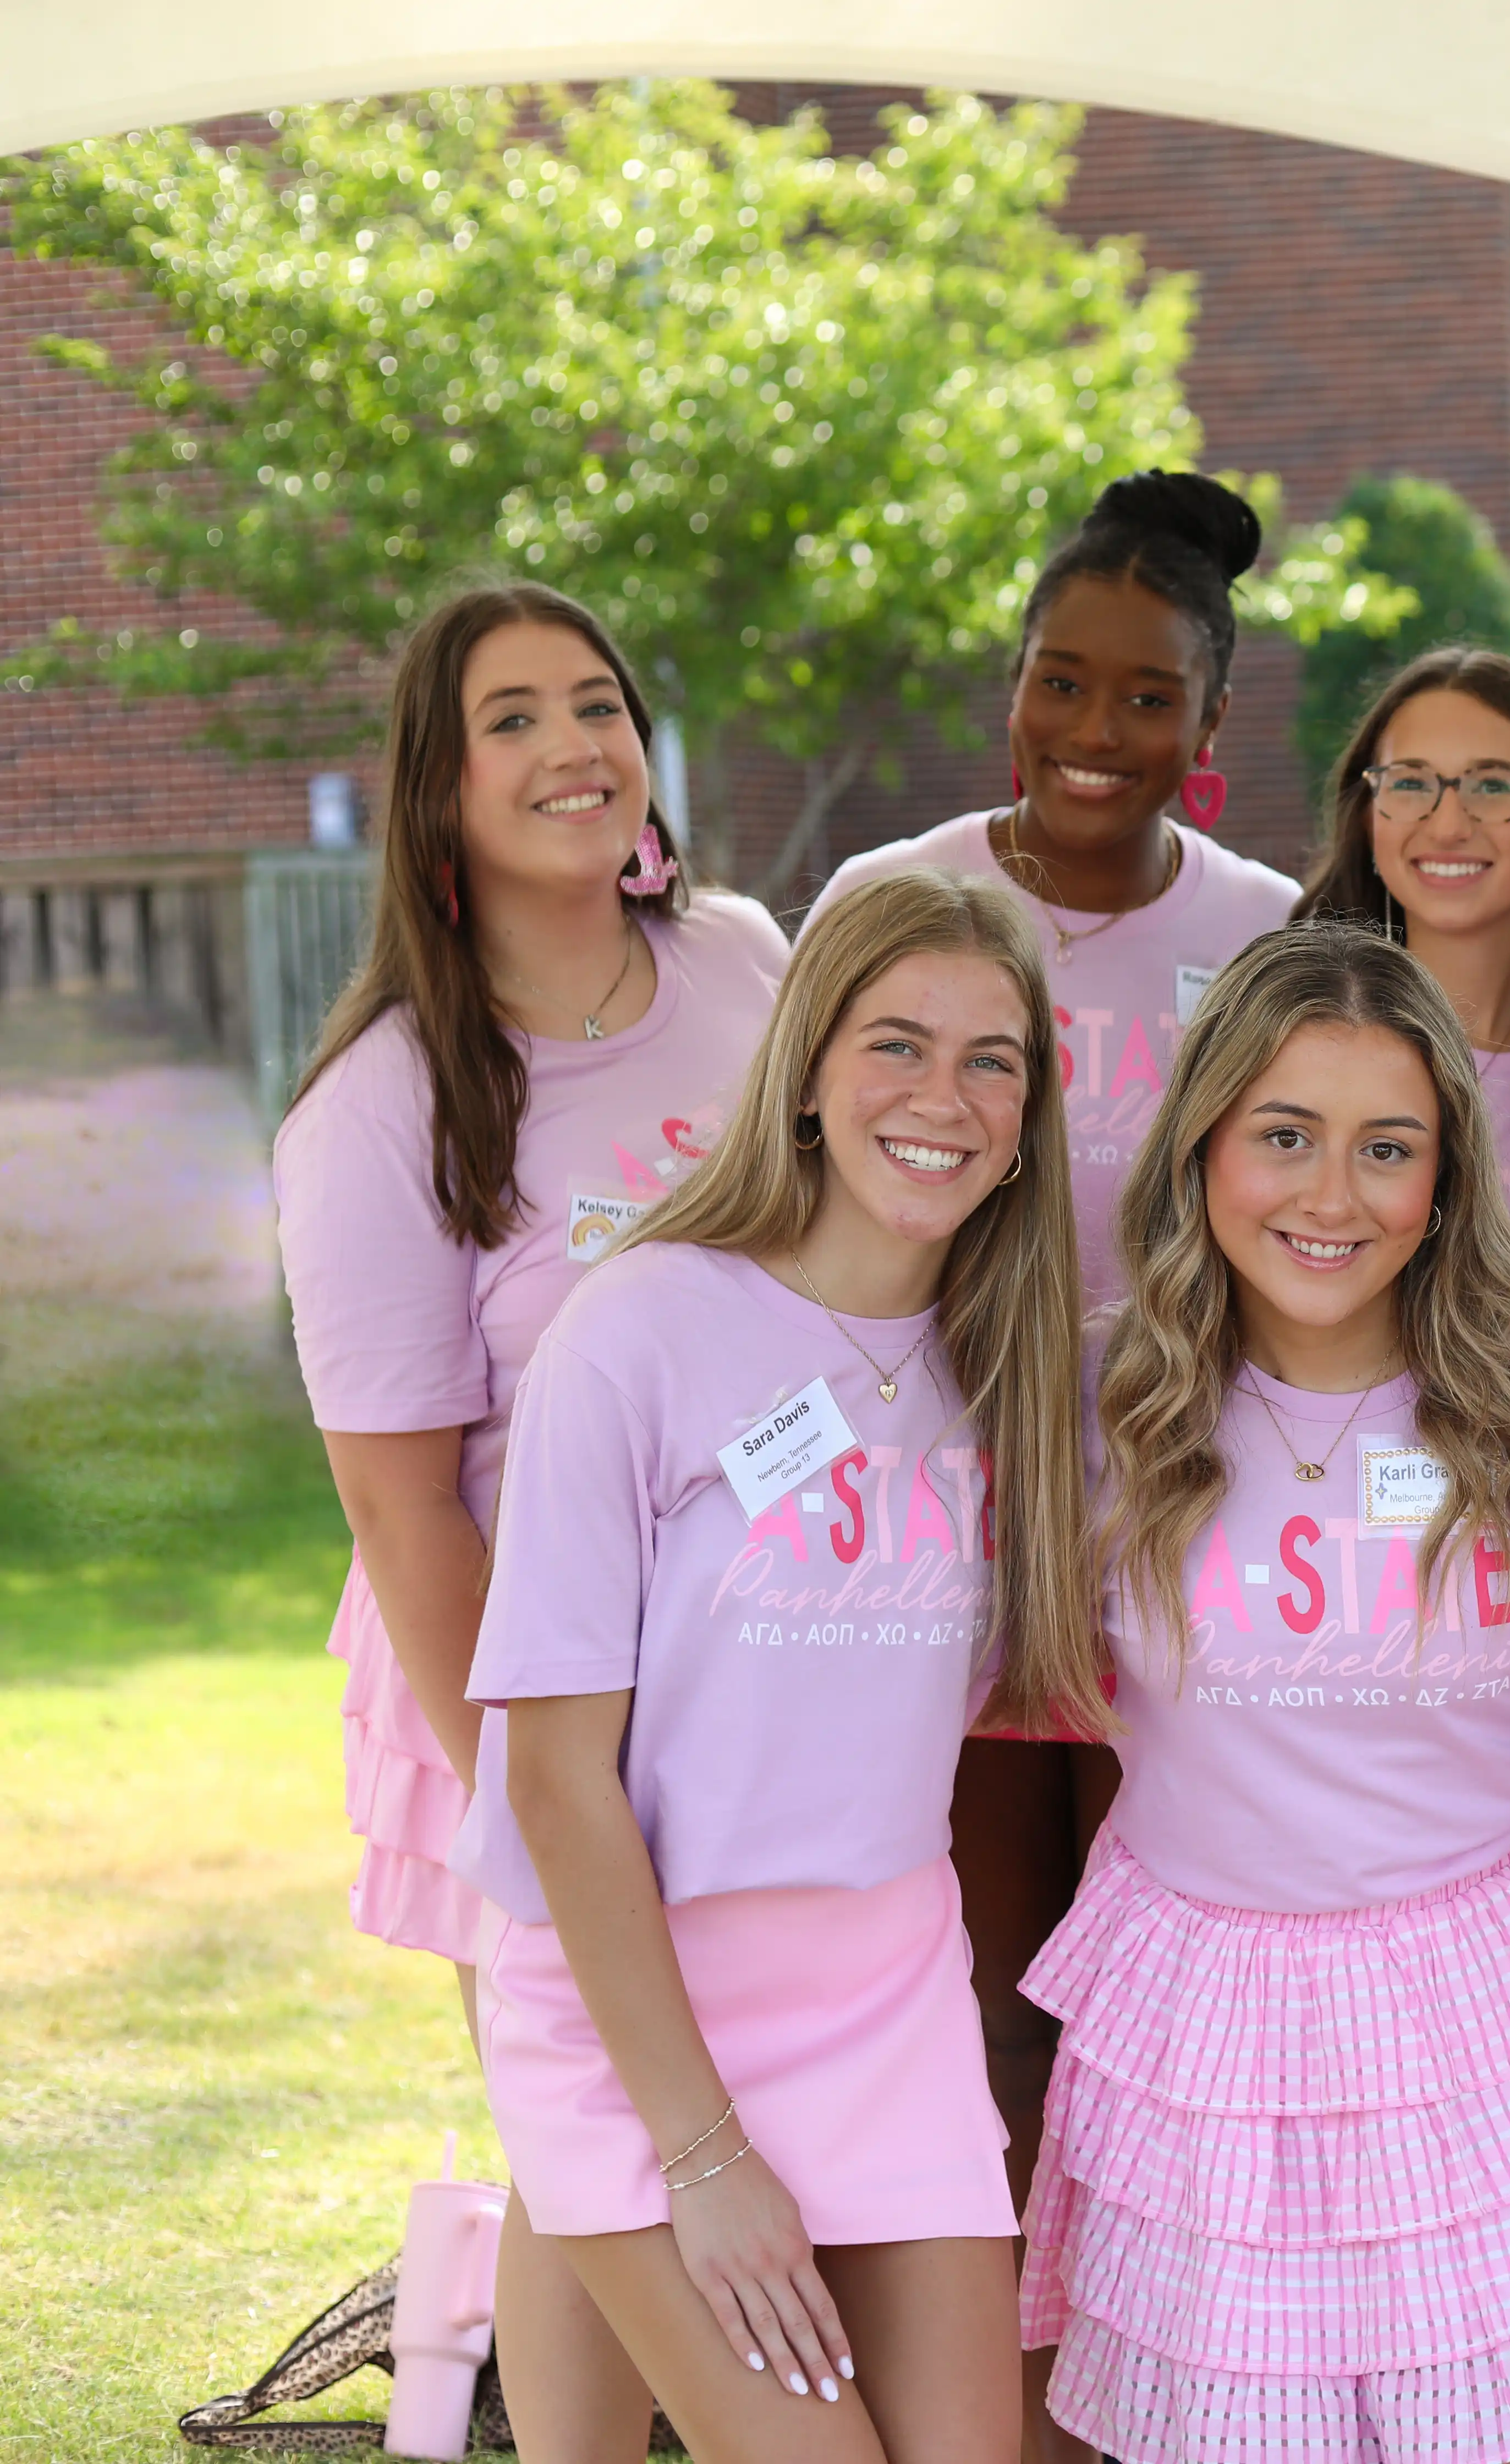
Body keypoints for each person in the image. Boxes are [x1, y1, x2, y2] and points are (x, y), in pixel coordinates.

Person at [451, 867, 1095, 2464]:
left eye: (993, 1059)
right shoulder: (642, 1329)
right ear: (808, 1071)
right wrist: (701, 2152)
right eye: (898, 1043)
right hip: (639, 2012)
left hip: (886, 1997)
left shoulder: (1010, 1363)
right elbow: (549, 1775)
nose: (944, 1096)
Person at [1013, 920, 1510, 2464]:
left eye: (1388, 1148)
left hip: (1491, 1998)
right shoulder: (1106, 1398)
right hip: (1207, 2014)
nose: (1332, 1197)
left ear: (1447, 1179)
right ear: (1201, 1148)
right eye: (1285, 1138)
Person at [273, 580, 788, 2457]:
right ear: (436, 792)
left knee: (764, 2105)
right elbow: (407, 1511)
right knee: (597, 2143)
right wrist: (531, 1782)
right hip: (539, 1688)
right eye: (514, 719)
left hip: (791, 1658)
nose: (575, 746)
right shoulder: (385, 1105)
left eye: (599, 703)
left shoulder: (743, 961)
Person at [806, 470, 1301, 2417]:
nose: (1095, 733)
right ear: (1010, 686)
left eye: (1147, 696)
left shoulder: (1264, 936)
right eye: (1058, 682)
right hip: (941, 1534)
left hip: (1186, 1536)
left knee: (1157, 2021)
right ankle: (975, 2407)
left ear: (1211, 727)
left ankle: (1165, 2391)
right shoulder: (899, 904)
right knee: (981, 1996)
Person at [1292, 646, 1510, 1275]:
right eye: (1411, 783)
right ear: (1369, 817)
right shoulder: (1287, 1043)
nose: (1448, 824)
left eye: (1493, 785)